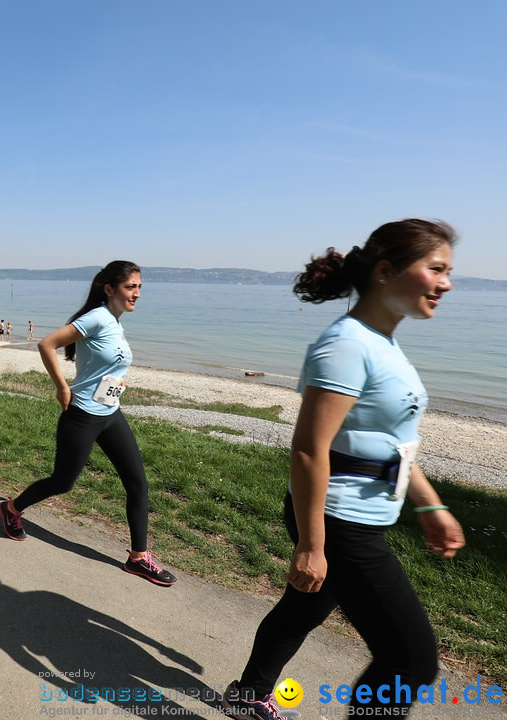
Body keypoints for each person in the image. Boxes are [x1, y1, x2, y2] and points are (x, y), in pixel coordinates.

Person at [221, 220, 465, 720]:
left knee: (304, 608)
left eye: (448, 271)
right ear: (384, 272)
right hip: (339, 520)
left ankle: (248, 696)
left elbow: (393, 445)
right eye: (436, 269)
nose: (447, 283)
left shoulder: (383, 342)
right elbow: (310, 449)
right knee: (411, 659)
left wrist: (431, 504)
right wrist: (313, 546)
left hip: (359, 514)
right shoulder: (347, 345)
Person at [0, 261, 176, 587]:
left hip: (111, 414)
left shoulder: (115, 321)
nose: (137, 293)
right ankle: (11, 509)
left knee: (137, 483)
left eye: (139, 287)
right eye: (130, 287)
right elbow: (46, 344)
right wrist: (62, 386)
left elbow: (104, 364)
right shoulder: (96, 318)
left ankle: (138, 558)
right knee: (63, 482)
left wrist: (117, 383)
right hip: (81, 415)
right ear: (110, 289)